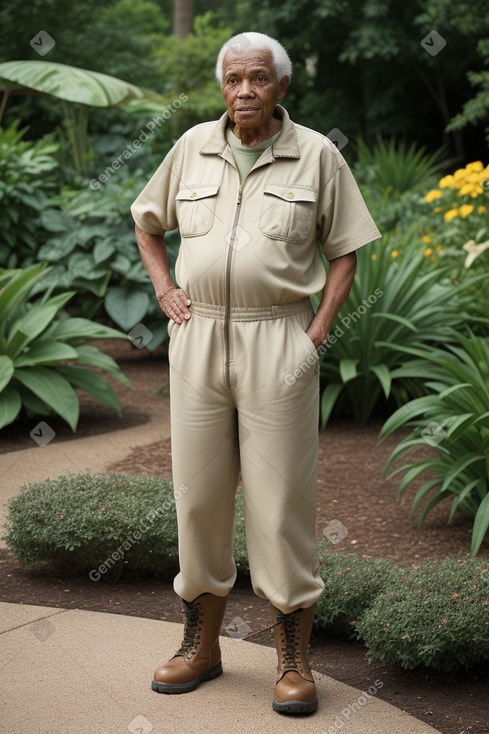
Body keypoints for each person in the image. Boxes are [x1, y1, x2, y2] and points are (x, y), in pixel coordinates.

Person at [131, 31, 381, 715]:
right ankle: (201, 648)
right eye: (233, 78)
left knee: (281, 506)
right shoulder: (190, 149)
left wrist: (319, 328)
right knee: (198, 498)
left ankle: (293, 660)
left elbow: (345, 249)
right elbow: (146, 222)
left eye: (259, 79)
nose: (245, 90)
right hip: (199, 334)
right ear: (222, 85)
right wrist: (163, 290)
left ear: (281, 87)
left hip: (277, 340)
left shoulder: (317, 155)